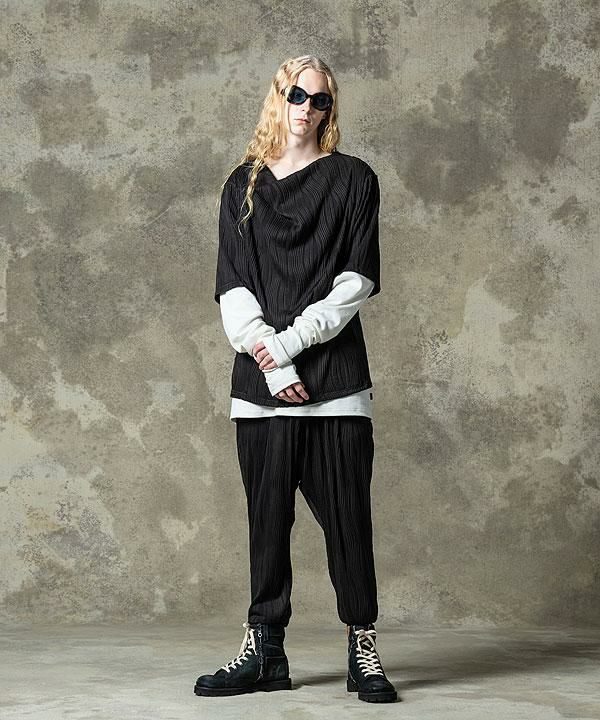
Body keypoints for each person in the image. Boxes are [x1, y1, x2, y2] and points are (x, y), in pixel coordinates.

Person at [194, 55, 397, 704]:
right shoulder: (243, 185)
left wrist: (288, 346)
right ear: (277, 97)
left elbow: (354, 282)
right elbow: (234, 290)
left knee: (349, 522)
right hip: (261, 390)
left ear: (331, 109)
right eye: (297, 95)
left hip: (335, 383)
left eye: (321, 100)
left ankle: (362, 648)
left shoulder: (353, 180)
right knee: (266, 523)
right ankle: (264, 652)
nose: (307, 108)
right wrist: (273, 364)